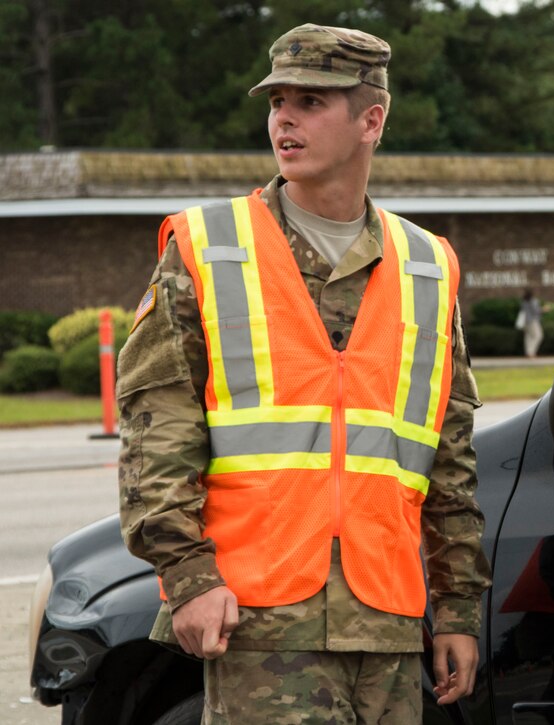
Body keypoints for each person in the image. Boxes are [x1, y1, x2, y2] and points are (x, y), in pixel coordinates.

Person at [116, 23, 491, 723]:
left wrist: (460, 608)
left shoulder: (427, 265)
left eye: (311, 102)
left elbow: (451, 457)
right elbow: (153, 435)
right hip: (258, 621)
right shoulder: (209, 248)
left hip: (388, 621)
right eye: (277, 100)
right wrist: (188, 577)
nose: (284, 118)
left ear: (370, 119)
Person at [519, 288, 545, 358]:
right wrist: (544, 309)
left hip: (524, 322)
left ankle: (528, 352)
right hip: (532, 321)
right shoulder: (533, 301)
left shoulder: (524, 301)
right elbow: (536, 311)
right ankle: (531, 352)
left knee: (528, 336)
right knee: (538, 336)